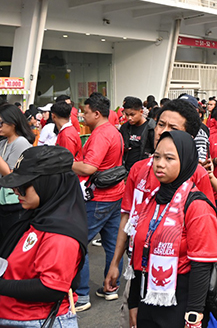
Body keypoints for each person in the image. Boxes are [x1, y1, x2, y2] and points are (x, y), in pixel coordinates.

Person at [125, 131, 217, 328]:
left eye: (169, 158)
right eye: (156, 157)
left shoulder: (197, 206)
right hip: (148, 298)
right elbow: (139, 252)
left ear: (186, 161)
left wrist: (194, 315)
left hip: (181, 303)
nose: (160, 163)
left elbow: (202, 266)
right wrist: (133, 302)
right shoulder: (152, 199)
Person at [0, 146, 87, 328]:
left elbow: (51, 288)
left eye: (23, 186)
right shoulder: (38, 216)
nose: (16, 191)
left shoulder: (61, 234)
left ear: (48, 183)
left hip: (35, 320)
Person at [72, 92, 125, 310]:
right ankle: (111, 287)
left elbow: (89, 167)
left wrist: (65, 161)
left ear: (96, 113)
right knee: (113, 245)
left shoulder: (101, 134)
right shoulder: (113, 131)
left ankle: (81, 295)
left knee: (78, 245)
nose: (82, 117)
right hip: (115, 195)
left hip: (99, 198)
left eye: (84, 112)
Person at [0, 103, 35, 242]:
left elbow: (10, 176)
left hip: (14, 202)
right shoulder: (4, 142)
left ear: (13, 123)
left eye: (1, 123)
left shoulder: (21, 142)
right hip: (5, 202)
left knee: (11, 244)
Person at [120, 96, 156, 172]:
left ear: (141, 112)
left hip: (144, 170)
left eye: (132, 115)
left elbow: (155, 150)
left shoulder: (151, 128)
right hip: (127, 170)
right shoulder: (124, 128)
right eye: (127, 114)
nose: (129, 118)